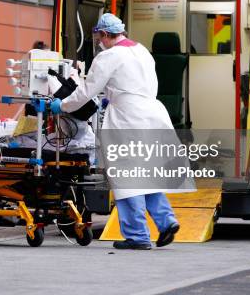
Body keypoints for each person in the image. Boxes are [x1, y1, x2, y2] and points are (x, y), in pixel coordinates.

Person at [50, 13, 180, 250]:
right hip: (152, 115)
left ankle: (137, 236)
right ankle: (166, 220)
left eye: (100, 36)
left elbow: (86, 92)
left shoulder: (108, 56)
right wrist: (115, 95)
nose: (99, 41)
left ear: (106, 34)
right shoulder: (141, 50)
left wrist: (63, 105)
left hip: (128, 119)